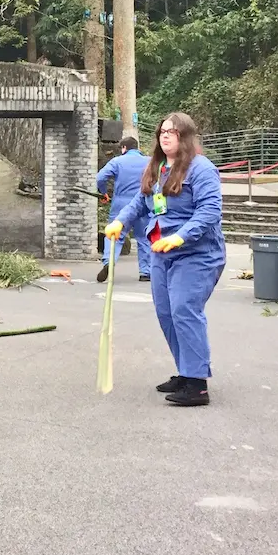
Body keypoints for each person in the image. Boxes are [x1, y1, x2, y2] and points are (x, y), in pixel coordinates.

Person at [107, 112, 225, 407]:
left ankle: (197, 385)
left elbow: (209, 211)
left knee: (185, 309)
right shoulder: (157, 167)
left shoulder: (201, 169)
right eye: (162, 131)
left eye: (173, 131)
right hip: (161, 251)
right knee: (167, 313)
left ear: (186, 136)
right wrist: (120, 221)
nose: (165, 135)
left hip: (197, 253)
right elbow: (140, 200)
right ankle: (186, 372)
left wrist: (181, 236)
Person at [95, 136, 151, 283]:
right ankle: (145, 272)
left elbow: (100, 177)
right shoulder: (150, 161)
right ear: (137, 148)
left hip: (121, 205)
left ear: (124, 148)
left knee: (114, 235)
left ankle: (109, 262)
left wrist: (103, 192)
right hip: (144, 203)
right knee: (144, 238)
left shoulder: (117, 161)